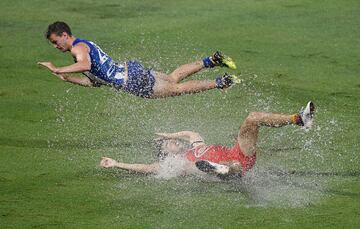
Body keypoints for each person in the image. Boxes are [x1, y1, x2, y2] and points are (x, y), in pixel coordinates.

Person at [100, 101, 315, 178]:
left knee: (253, 117)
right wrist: (118, 163)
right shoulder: (173, 164)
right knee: (224, 167)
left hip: (238, 152)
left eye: (169, 141)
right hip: (233, 166)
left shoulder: (196, 146)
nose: (172, 143)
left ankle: (299, 119)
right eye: (167, 145)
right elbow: (147, 168)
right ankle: (221, 170)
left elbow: (191, 133)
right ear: (166, 153)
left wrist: (170, 134)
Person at [38, 21, 240, 98]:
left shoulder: (78, 49)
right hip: (130, 71)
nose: (56, 47)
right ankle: (212, 60)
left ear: (65, 34)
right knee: (172, 79)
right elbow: (93, 81)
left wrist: (58, 69)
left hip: (131, 81)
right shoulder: (84, 44)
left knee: (176, 89)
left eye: (56, 42)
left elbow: (85, 64)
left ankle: (220, 82)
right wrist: (66, 78)